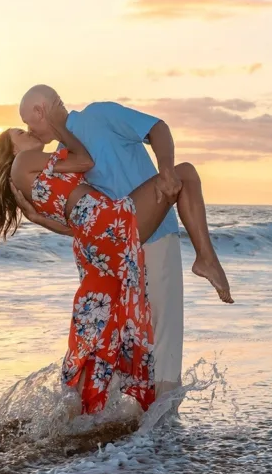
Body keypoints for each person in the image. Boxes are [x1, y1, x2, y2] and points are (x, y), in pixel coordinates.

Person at [0, 96, 232, 415]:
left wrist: (42, 219)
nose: (28, 132)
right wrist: (60, 127)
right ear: (12, 152)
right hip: (113, 226)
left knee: (106, 327)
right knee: (187, 174)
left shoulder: (44, 166)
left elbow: (74, 219)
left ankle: (92, 415)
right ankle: (205, 260)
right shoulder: (29, 163)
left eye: (27, 126)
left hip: (95, 241)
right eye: (21, 133)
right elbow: (86, 162)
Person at [15, 85, 196, 398]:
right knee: (129, 338)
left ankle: (163, 430)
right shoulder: (60, 155)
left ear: (40, 110)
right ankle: (136, 428)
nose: (29, 130)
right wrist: (46, 221)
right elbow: (84, 219)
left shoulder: (98, 115)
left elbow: (158, 128)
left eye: (28, 122)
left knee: (161, 335)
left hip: (153, 236)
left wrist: (166, 170)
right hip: (112, 250)